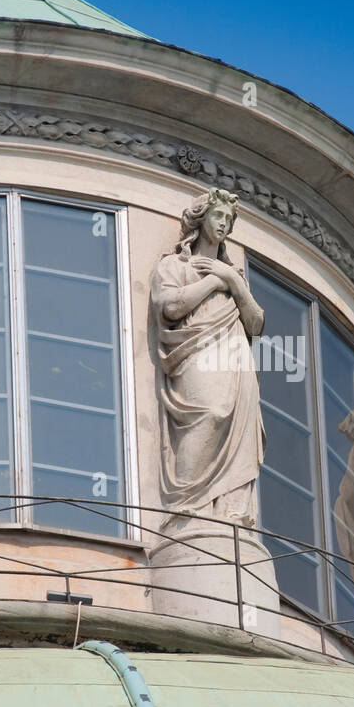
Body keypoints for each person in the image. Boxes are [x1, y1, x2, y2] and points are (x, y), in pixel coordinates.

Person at [149, 188, 265, 532]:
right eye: (218, 216)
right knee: (211, 412)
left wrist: (231, 279)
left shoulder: (234, 277)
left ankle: (230, 511)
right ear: (201, 220)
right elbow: (170, 307)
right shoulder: (174, 265)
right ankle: (185, 507)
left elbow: (256, 324)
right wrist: (216, 280)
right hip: (194, 350)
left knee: (241, 431)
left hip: (235, 356)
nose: (224, 224)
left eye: (229, 219)